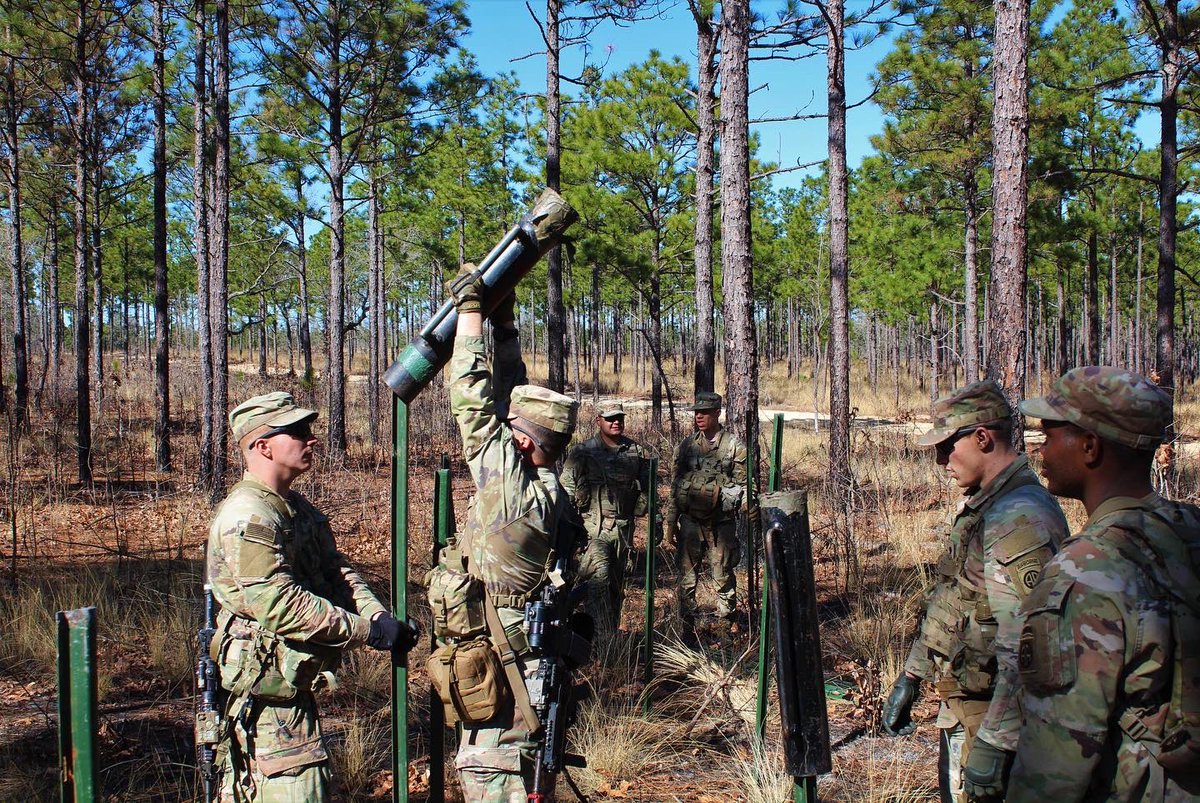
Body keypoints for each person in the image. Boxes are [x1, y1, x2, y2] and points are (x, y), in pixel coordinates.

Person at [206, 392, 417, 803]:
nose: (311, 439)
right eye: (298, 431)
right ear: (263, 446)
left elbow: (336, 571)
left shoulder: (294, 507)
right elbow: (280, 604)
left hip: (291, 686)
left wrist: (377, 617)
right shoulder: (249, 517)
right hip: (266, 701)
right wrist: (365, 632)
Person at [1002, 366, 1199, 802]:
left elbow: (1055, 766)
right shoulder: (1190, 529)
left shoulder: (1084, 572)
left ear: (1089, 446)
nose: (1041, 451)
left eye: (1050, 435)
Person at [880, 379, 1068, 803]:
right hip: (968, 707)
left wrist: (997, 742)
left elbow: (1031, 647)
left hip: (996, 717)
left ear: (982, 437)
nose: (940, 461)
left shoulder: (1021, 519)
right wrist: (913, 674)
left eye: (947, 447)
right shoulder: (986, 506)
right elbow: (954, 599)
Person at [442, 268, 583, 800]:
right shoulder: (550, 490)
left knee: (497, 777)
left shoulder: (513, 495)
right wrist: (504, 323)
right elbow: (509, 401)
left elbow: (473, 403)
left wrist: (472, 314)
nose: (502, 433)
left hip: (501, 671)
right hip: (526, 658)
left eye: (510, 433)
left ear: (520, 445)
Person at [560, 401, 653, 635]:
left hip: (623, 531)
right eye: (610, 418)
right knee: (598, 582)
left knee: (615, 585)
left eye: (619, 417)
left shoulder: (637, 452)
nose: (616, 422)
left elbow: (650, 491)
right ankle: (598, 642)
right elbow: (566, 491)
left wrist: (658, 520)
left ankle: (608, 640)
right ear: (598, 421)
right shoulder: (583, 452)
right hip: (593, 531)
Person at [663, 391, 747, 621]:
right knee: (687, 577)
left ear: (717, 413)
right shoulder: (687, 446)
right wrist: (671, 523)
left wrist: (748, 504)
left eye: (705, 412)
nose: (699, 417)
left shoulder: (733, 446)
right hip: (690, 522)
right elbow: (675, 485)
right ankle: (688, 626)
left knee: (723, 574)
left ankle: (726, 625)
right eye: (697, 412)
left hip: (721, 523)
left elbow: (745, 484)